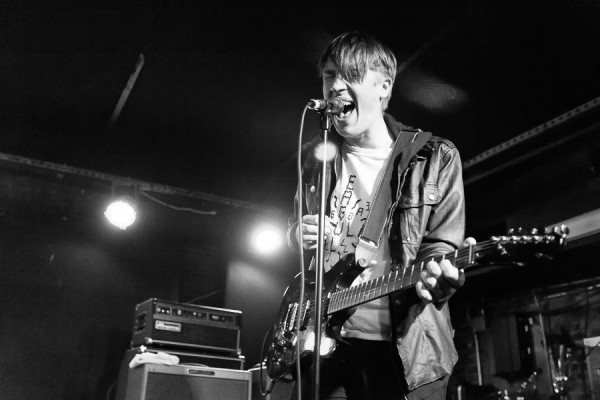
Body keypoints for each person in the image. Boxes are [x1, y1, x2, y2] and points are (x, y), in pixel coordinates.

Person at [286, 31, 470, 400]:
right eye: (328, 75)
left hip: (403, 351)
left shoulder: (436, 157)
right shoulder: (316, 158)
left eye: (349, 75)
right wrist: (296, 236)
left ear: (384, 87)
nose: (335, 86)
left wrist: (439, 277)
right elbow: (296, 231)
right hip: (323, 343)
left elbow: (438, 248)